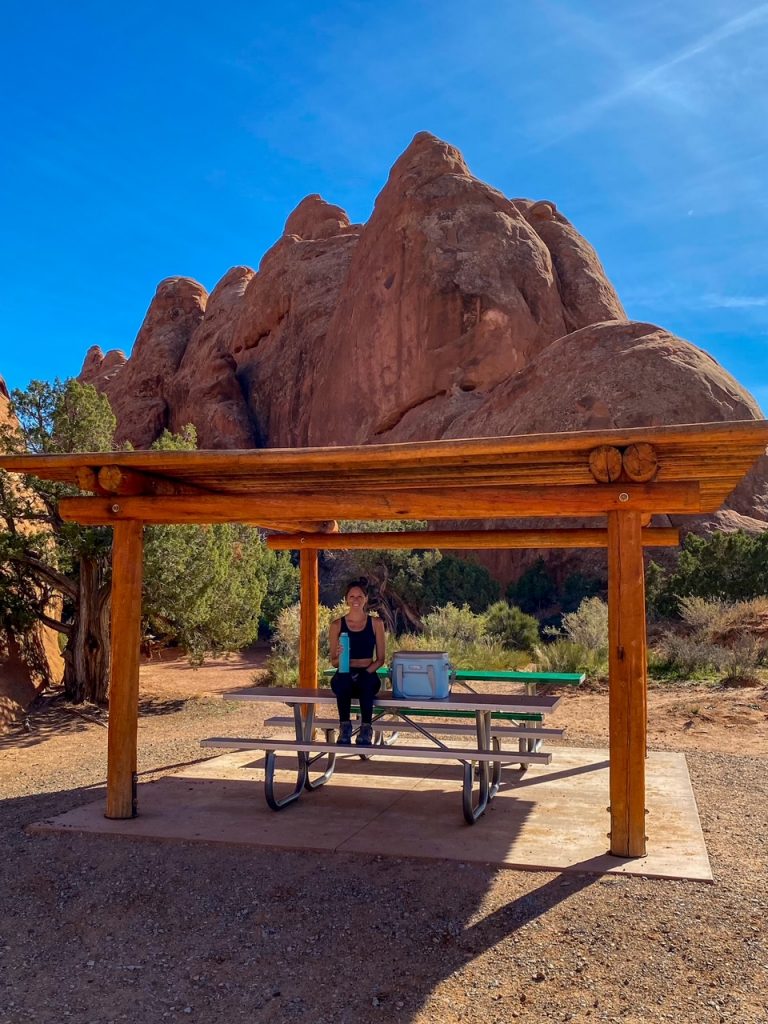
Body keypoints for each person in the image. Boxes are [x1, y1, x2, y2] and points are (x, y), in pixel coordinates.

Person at [329, 579, 386, 746]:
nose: (356, 600)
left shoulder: (376, 623)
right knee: (343, 679)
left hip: (367, 672)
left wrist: (366, 672)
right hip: (345, 673)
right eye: (352, 596)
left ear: (366, 599)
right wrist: (339, 657)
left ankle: (366, 729)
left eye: (360, 596)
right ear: (346, 599)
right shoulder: (337, 625)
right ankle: (345, 727)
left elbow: (381, 659)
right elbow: (333, 662)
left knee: (366, 682)